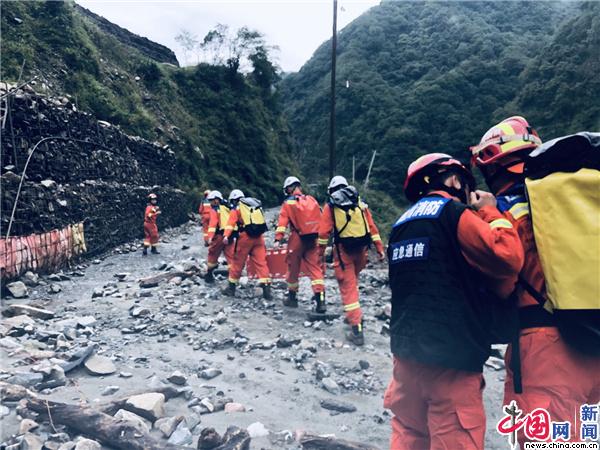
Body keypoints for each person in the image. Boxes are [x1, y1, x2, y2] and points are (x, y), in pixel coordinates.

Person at [470, 117, 600, 444]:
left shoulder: (504, 210)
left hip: (544, 345)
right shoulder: (578, 202)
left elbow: (501, 278)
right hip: (593, 332)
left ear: (492, 167)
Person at [384, 153, 524, 450]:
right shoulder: (454, 214)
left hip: (405, 357)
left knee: (409, 435)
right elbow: (507, 257)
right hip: (451, 359)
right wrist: (490, 211)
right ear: (454, 179)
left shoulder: (400, 225)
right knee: (456, 438)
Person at [318, 177, 385, 345]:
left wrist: (320, 252)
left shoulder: (331, 205)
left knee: (348, 289)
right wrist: (379, 248)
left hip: (344, 252)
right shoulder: (359, 203)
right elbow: (372, 228)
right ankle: (352, 317)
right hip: (361, 251)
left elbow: (324, 233)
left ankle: (357, 329)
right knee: (353, 283)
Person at [274, 176, 325, 311]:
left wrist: (278, 239)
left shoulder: (288, 203)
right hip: (313, 238)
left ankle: (292, 298)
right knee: (315, 269)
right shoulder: (311, 200)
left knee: (293, 269)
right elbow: (321, 218)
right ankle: (321, 301)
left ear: (290, 188)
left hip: (297, 239)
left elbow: (282, 223)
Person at [222, 193, 272, 300]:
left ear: (234, 200)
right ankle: (266, 288)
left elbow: (230, 223)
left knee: (237, 262)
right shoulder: (253, 205)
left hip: (245, 237)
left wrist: (226, 236)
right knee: (261, 262)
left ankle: (231, 288)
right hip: (259, 237)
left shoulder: (237, 209)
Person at [204, 190, 234, 283]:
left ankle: (209, 274)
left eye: (211, 200)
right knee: (231, 255)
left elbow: (213, 225)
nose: (210, 203)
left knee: (212, 254)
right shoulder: (228, 207)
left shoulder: (215, 210)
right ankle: (233, 278)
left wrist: (209, 238)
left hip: (219, 236)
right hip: (230, 235)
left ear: (216, 200)